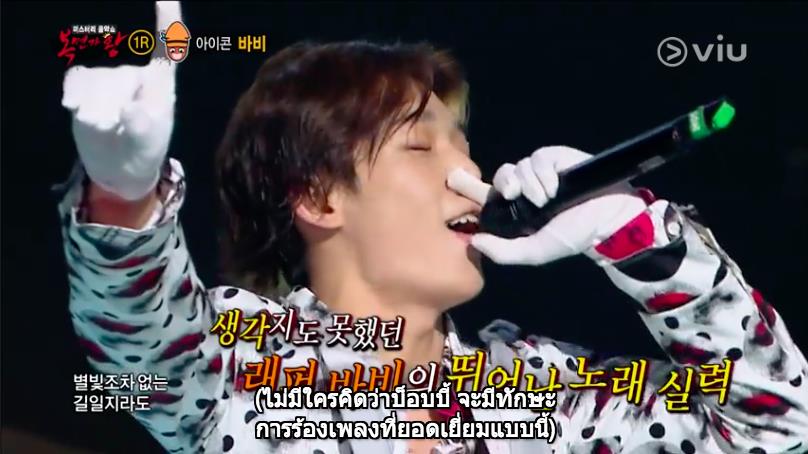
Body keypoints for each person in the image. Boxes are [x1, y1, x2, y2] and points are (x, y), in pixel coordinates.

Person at [58, 2, 808, 453]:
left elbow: (776, 429)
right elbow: (144, 350)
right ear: (319, 198)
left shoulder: (543, 393)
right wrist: (122, 195)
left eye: (466, 147)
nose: (468, 173)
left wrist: (635, 233)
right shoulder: (246, 366)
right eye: (421, 147)